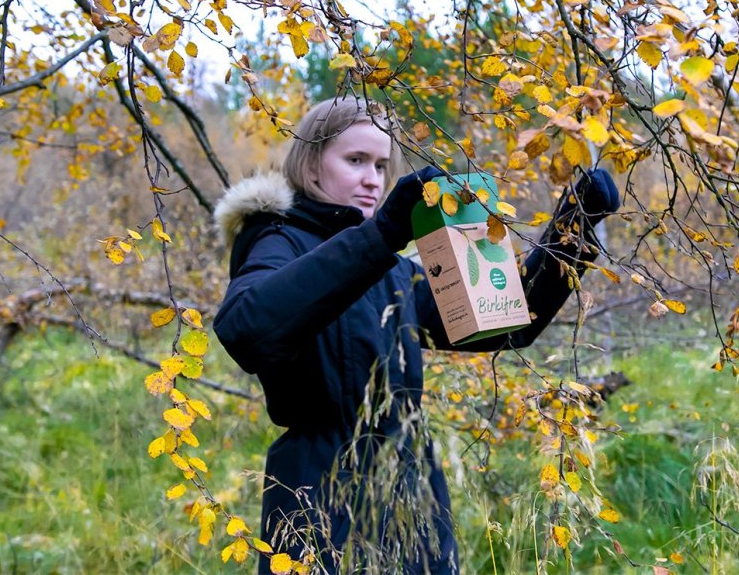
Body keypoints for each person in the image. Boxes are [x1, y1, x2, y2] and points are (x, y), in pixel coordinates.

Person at [212, 96, 619, 574]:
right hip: (315, 494)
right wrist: (383, 234)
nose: (373, 179)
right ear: (311, 165)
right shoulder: (277, 240)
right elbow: (246, 329)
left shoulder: (387, 268)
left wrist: (575, 226)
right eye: (356, 160)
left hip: (410, 492)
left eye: (382, 165)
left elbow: (505, 323)